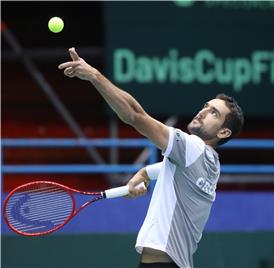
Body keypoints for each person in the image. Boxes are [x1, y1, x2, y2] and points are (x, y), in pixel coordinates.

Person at [59, 47, 244, 268]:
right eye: (206, 106)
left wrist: (94, 76)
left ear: (223, 133)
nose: (203, 111)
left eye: (214, 113)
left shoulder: (193, 147)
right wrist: (145, 172)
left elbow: (134, 115)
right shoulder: (211, 163)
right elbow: (172, 170)